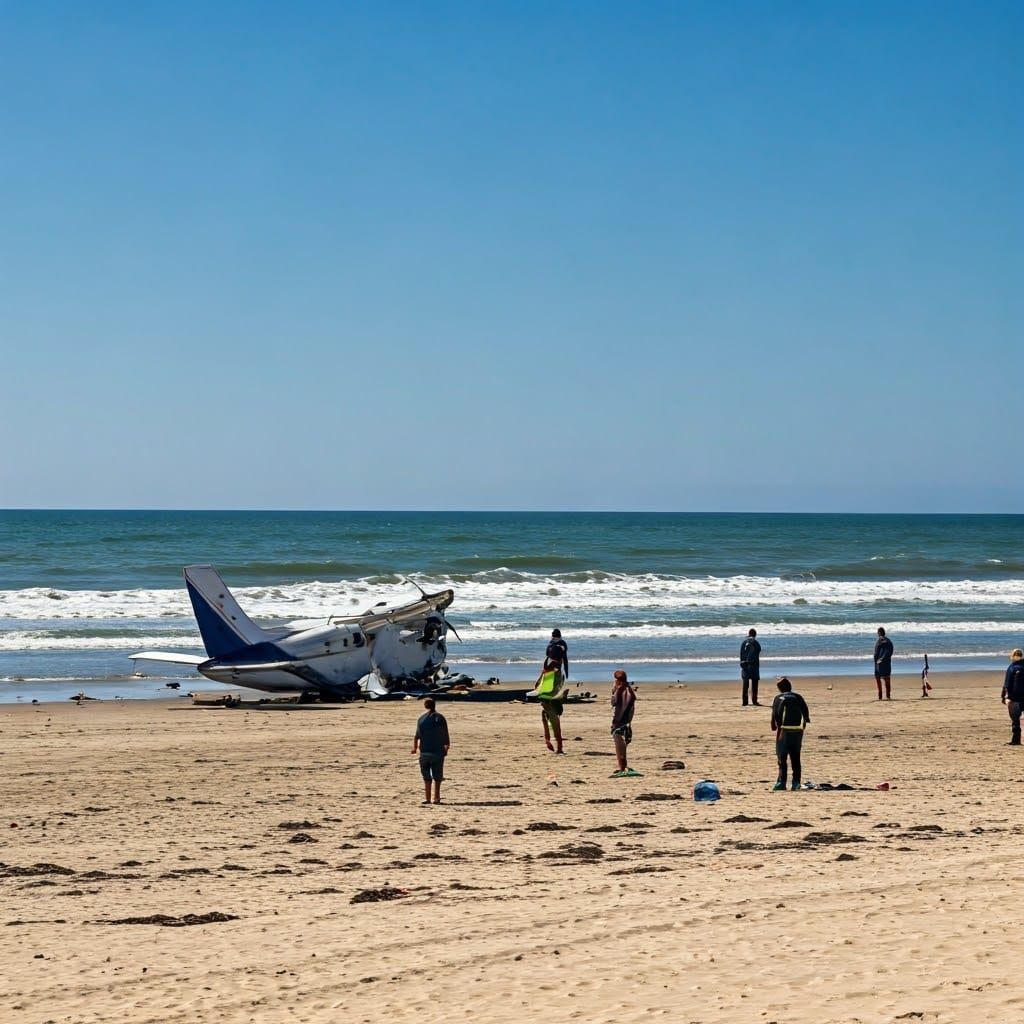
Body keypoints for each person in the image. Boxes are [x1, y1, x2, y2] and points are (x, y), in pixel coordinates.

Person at [771, 677, 810, 791]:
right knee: (795, 757)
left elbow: (774, 721)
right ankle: (796, 783)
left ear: (779, 688)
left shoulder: (778, 698)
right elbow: (806, 716)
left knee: (782, 758)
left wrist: (777, 729)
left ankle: (781, 783)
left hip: (783, 731)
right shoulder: (798, 697)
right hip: (798, 730)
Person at [411, 697, 450, 804]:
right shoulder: (440, 718)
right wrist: (446, 746)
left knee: (426, 776)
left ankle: (427, 798)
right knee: (437, 776)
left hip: (424, 751)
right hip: (437, 751)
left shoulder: (421, 719)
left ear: (425, 706)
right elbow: (445, 734)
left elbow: (417, 736)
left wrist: (414, 748)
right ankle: (436, 798)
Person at [610, 669, 640, 778]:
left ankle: (622, 767)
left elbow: (616, 704)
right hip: (625, 721)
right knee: (621, 743)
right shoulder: (627, 690)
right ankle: (622, 765)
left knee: (619, 742)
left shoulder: (622, 691)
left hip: (620, 721)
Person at [1001, 648, 1024, 746]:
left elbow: (1007, 683)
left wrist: (1003, 696)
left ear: (1012, 656)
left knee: (1015, 720)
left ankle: (1016, 740)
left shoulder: (1012, 667)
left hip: (1015, 697)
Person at [740, 628, 762, 706]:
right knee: (754, 683)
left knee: (745, 684)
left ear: (749, 633)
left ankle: (745, 702)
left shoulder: (743, 642)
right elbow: (759, 650)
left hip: (744, 664)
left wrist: (742, 662)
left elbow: (741, 654)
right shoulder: (755, 642)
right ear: (755, 634)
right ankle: (754, 700)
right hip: (754, 665)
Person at [873, 627, 894, 700]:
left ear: (879, 633)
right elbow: (890, 651)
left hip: (879, 662)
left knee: (878, 678)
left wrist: (877, 661)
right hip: (887, 662)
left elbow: (876, 653)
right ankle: (888, 695)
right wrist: (885, 658)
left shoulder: (879, 640)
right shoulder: (889, 641)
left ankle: (880, 696)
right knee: (887, 679)